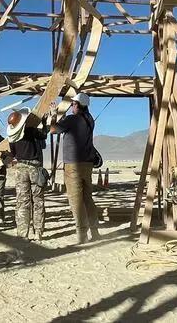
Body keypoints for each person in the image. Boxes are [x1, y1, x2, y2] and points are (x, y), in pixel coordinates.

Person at [50, 90, 100, 244]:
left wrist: (53, 115)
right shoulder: (90, 119)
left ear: (78, 105)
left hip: (73, 165)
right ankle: (95, 231)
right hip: (87, 164)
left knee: (75, 201)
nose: (72, 105)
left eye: (73, 103)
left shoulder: (72, 120)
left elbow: (53, 130)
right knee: (87, 199)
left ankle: (82, 235)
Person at [6, 109, 47, 241]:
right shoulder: (30, 130)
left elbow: (13, 154)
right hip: (34, 167)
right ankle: (38, 232)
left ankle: (23, 233)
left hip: (20, 169)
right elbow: (43, 135)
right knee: (38, 201)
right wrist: (44, 122)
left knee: (22, 202)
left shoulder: (12, 138)